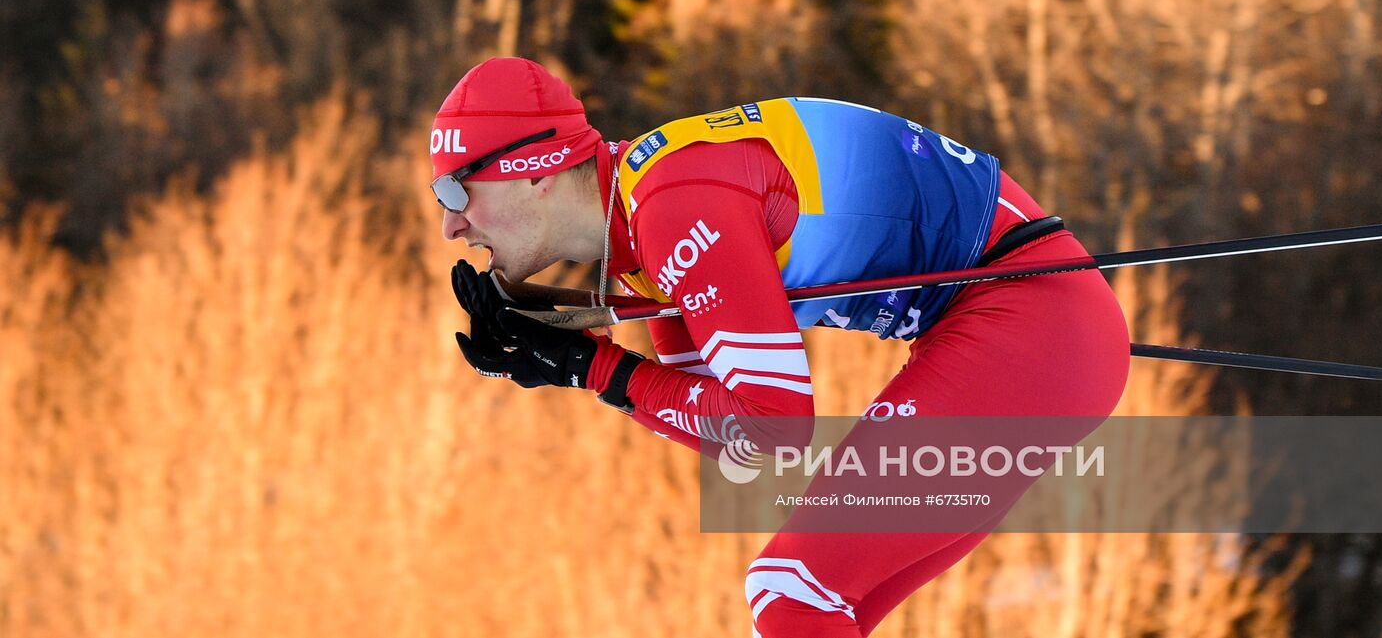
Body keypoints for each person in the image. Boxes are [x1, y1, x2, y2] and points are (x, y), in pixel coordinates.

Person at [432, 56, 1129, 637]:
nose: (449, 223)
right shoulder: (645, 229)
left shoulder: (676, 210)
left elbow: (775, 427)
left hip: (1034, 318)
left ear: (536, 169)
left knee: (792, 589)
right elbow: (730, 435)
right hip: (1034, 329)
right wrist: (582, 359)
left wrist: (598, 366)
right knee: (818, 604)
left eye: (456, 186)